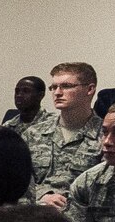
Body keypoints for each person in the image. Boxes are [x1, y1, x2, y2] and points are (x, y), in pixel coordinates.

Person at [27, 61, 103, 206]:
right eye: (53, 87)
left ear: (90, 89)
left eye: (66, 86)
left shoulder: (106, 135)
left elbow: (108, 187)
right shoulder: (33, 134)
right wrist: (43, 195)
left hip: (83, 217)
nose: (57, 93)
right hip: (37, 213)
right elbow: (18, 179)